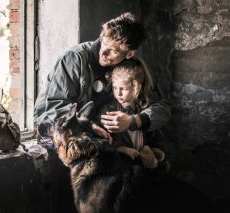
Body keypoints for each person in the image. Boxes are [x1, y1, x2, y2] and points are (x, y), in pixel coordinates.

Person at [34, 12, 171, 148]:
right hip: (56, 128)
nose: (103, 52)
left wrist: (133, 121)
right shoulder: (74, 58)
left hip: (98, 131)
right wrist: (88, 125)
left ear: (129, 54)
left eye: (114, 51)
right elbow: (54, 107)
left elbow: (162, 108)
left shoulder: (130, 70)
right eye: (104, 42)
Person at [95, 57, 167, 169]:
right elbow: (101, 139)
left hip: (142, 154)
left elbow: (154, 133)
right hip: (121, 162)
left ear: (136, 88)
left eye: (123, 89)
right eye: (114, 87)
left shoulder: (144, 107)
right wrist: (121, 149)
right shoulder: (107, 111)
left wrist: (153, 148)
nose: (118, 93)